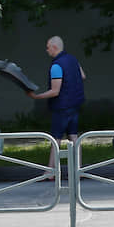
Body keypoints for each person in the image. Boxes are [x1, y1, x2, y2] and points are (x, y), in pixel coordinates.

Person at [28, 36, 86, 177]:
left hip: (61, 107)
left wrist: (36, 96)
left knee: (56, 138)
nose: (47, 50)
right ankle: (79, 170)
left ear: (54, 47)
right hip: (76, 104)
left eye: (48, 47)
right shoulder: (73, 60)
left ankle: (50, 171)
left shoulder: (56, 66)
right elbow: (83, 76)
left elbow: (55, 91)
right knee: (74, 136)